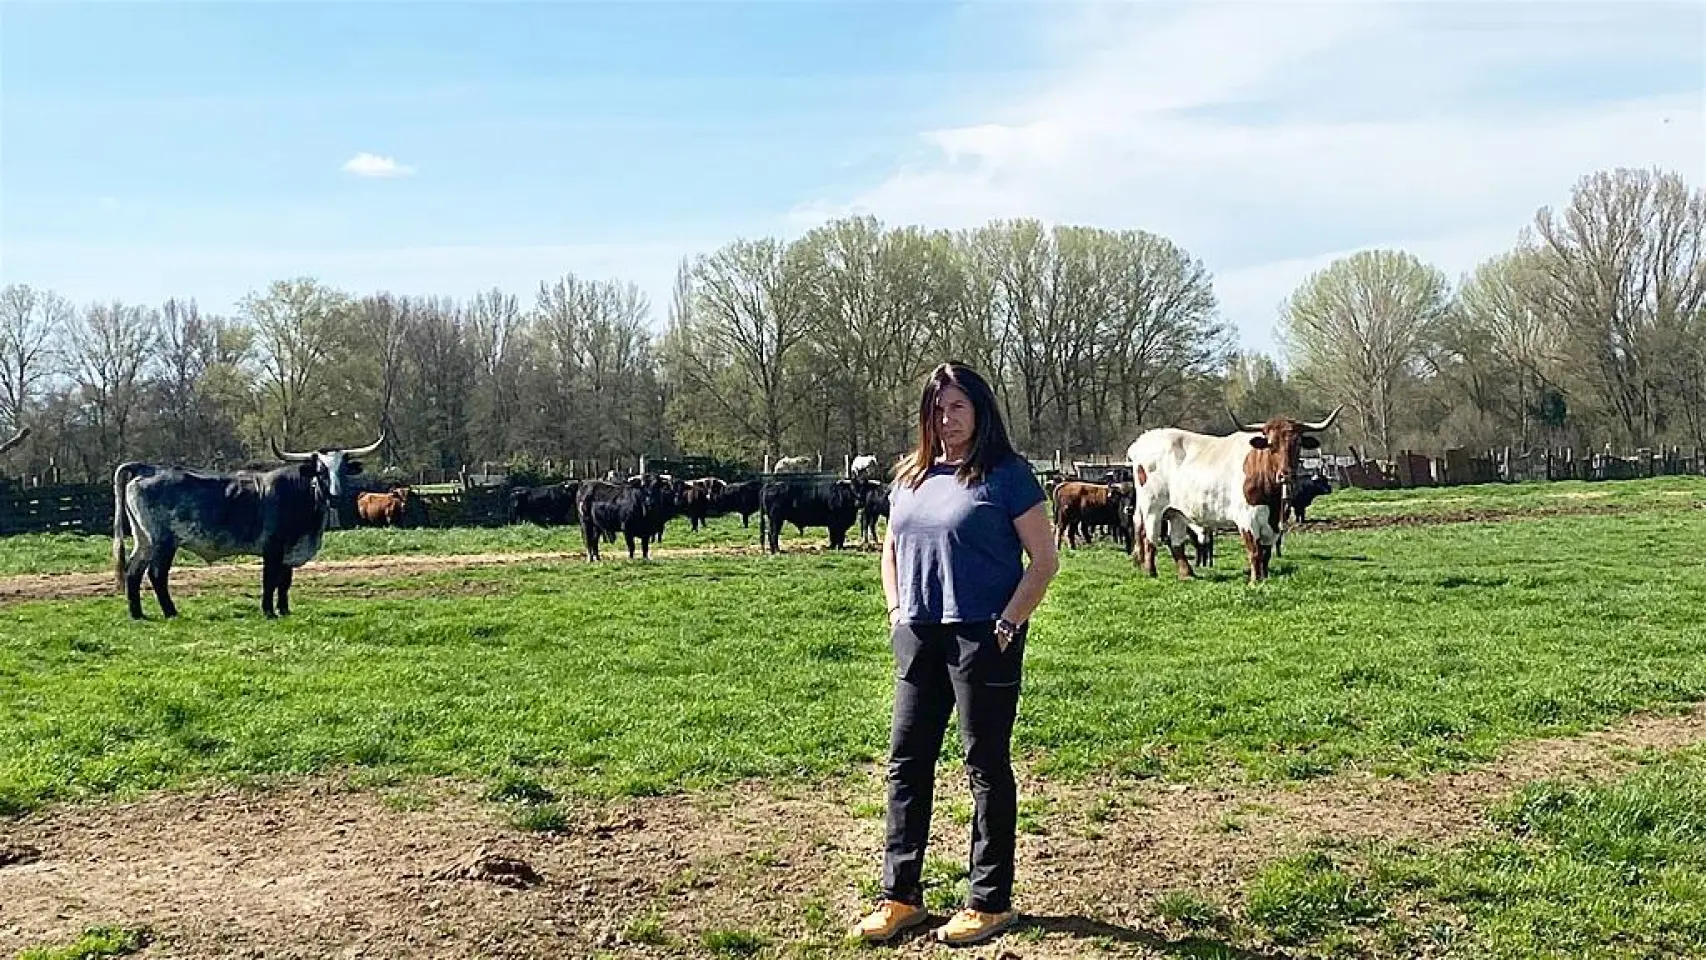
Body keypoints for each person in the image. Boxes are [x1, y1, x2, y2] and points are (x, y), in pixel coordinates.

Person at [850, 361, 1060, 946]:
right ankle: (900, 896)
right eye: (937, 409)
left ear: (981, 410)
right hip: (919, 634)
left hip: (982, 636)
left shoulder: (1007, 476)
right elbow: (891, 549)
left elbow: (1043, 561)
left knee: (985, 766)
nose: (946, 419)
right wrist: (896, 614)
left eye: (958, 407)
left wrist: (1008, 623)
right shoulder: (910, 476)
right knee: (906, 764)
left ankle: (989, 902)